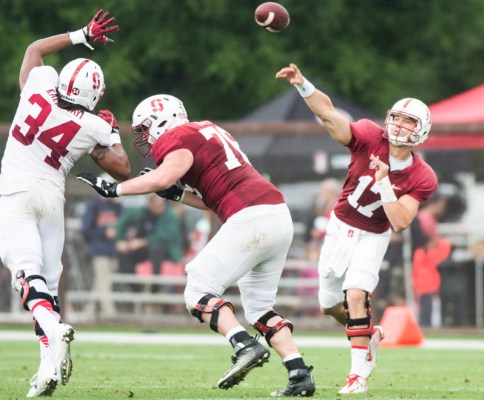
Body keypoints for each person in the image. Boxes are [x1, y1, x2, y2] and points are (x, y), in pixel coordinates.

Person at [76, 94, 316, 397]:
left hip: (251, 217)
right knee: (259, 309)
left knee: (197, 290)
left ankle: (244, 345)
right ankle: (299, 375)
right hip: (277, 215)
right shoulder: (211, 131)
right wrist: (176, 195)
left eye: (145, 128)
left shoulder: (177, 135)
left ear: (163, 120)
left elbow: (163, 176)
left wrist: (115, 189)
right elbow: (214, 201)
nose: (145, 138)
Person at [275, 63, 438, 394]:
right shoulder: (367, 135)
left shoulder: (422, 175)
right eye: (397, 117)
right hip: (340, 227)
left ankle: (357, 376)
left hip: (374, 235)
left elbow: (401, 221)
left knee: (356, 293)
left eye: (409, 121)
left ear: (420, 131)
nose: (400, 125)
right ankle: (369, 334)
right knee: (330, 306)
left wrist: (384, 184)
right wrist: (303, 84)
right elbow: (331, 116)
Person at [0, 9, 127, 398]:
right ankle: (47, 367)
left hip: (16, 190)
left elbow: (35, 49)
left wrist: (82, 35)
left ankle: (53, 332)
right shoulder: (94, 127)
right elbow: (122, 167)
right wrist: (113, 129)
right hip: (52, 196)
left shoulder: (39, 84)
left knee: (24, 272)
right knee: (48, 287)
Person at [81, 193, 122, 319]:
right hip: (99, 249)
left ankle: (88, 311)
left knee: (101, 281)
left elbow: (123, 221)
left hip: (113, 249)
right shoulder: (94, 205)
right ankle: (109, 311)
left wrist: (119, 204)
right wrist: (104, 232)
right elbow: (86, 229)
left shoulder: (115, 205)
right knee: (104, 281)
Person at [412, 194, 451, 327]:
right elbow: (428, 243)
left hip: (427, 267)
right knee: (424, 298)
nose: (443, 209)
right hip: (424, 266)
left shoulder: (428, 218)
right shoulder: (424, 218)